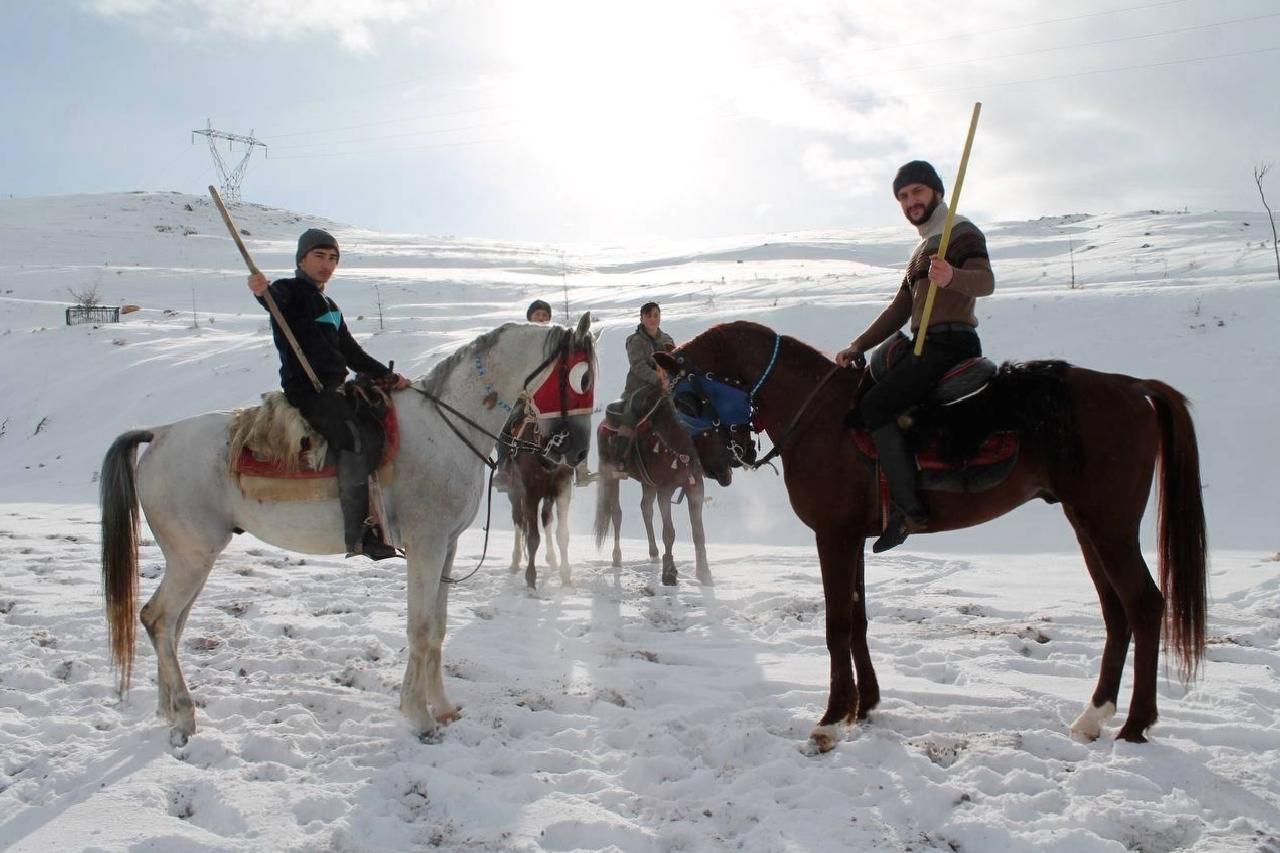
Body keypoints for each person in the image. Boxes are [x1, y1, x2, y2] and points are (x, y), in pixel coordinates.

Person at [835, 160, 994, 553]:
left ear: (936, 192)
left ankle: (909, 512)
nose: (911, 201)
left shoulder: (961, 232)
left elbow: (986, 281)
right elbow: (898, 309)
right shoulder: (922, 249)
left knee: (876, 406)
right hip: (921, 343)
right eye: (903, 196)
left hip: (951, 343)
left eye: (917, 192)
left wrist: (953, 277)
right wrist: (858, 345)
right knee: (860, 403)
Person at [248, 228, 410, 560]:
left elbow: (351, 351)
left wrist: (387, 375)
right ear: (301, 259)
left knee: (376, 427)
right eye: (319, 256)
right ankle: (360, 534)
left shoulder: (330, 305)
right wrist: (261, 291)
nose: (327, 264)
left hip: (336, 390)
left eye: (333, 258)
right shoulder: (288, 290)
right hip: (308, 392)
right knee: (353, 439)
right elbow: (272, 301)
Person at [494, 298, 595, 490]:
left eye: (545, 315)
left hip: (552, 400)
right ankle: (504, 470)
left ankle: (581, 468)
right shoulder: (522, 344)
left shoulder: (558, 344)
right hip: (525, 398)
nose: (541, 318)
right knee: (505, 424)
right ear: (529, 318)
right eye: (537, 315)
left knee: (575, 425)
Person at [610, 301, 675, 471]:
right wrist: (658, 379)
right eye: (648, 316)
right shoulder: (634, 341)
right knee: (632, 410)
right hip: (638, 387)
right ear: (641, 318)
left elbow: (672, 361)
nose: (653, 319)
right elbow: (638, 366)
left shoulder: (667, 339)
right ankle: (620, 458)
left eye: (656, 315)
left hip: (665, 386)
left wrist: (671, 378)